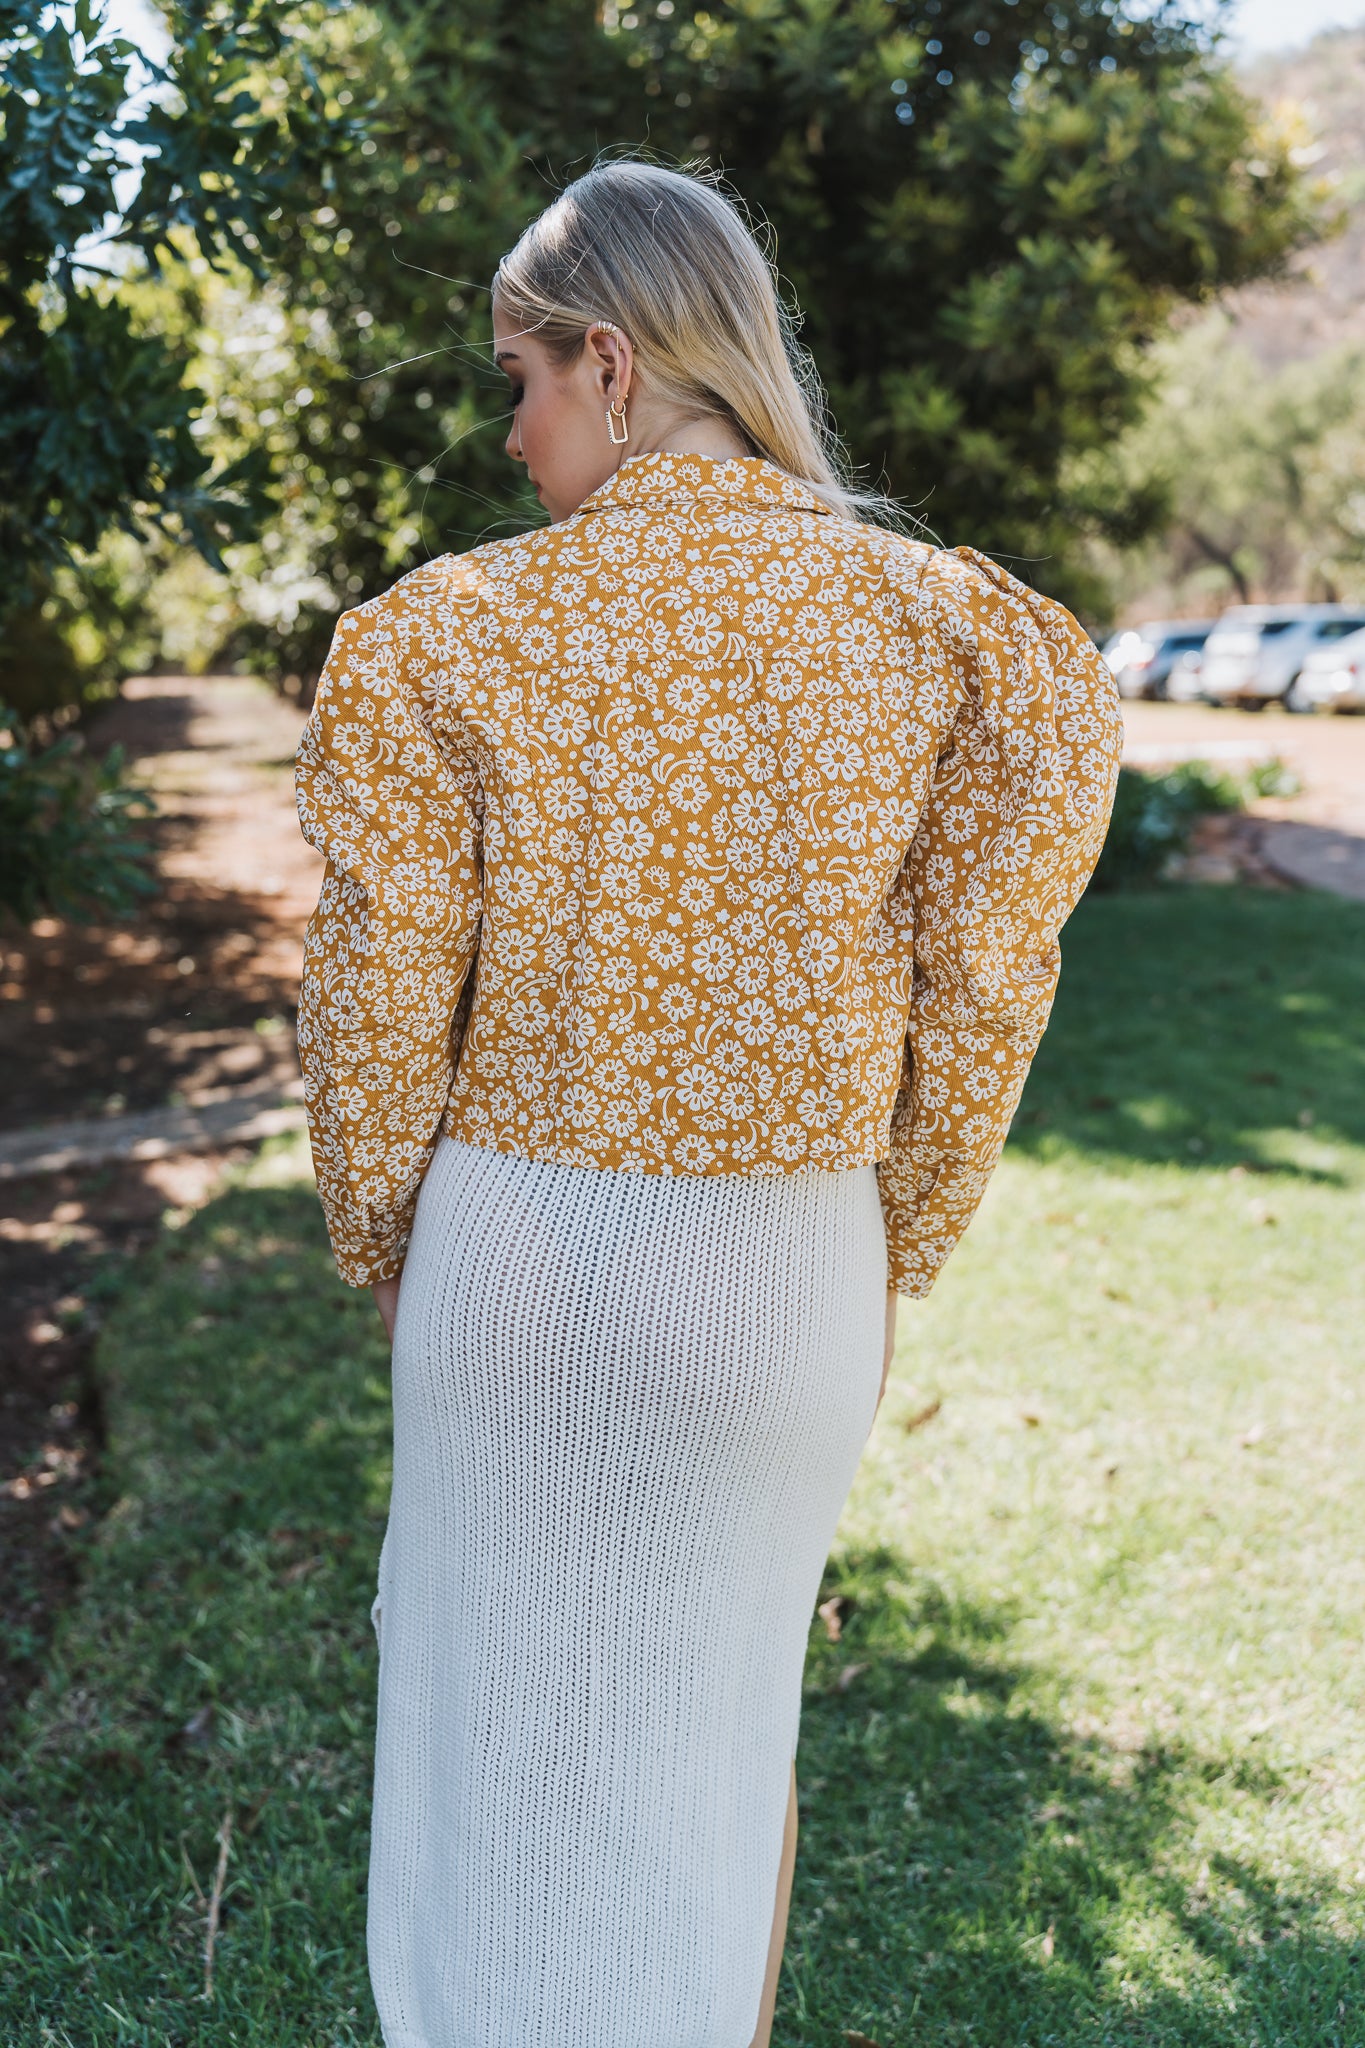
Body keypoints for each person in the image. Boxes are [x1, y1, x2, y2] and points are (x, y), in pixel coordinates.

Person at [295, 159, 1122, 2048]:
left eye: (513, 378)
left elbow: (380, 1001)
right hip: (787, 1271)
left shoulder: (440, 637)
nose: (507, 433)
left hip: (515, 1248)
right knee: (726, 1729)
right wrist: (888, 1235)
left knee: (485, 1752)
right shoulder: (947, 633)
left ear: (606, 358)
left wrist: (381, 1239)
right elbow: (980, 989)